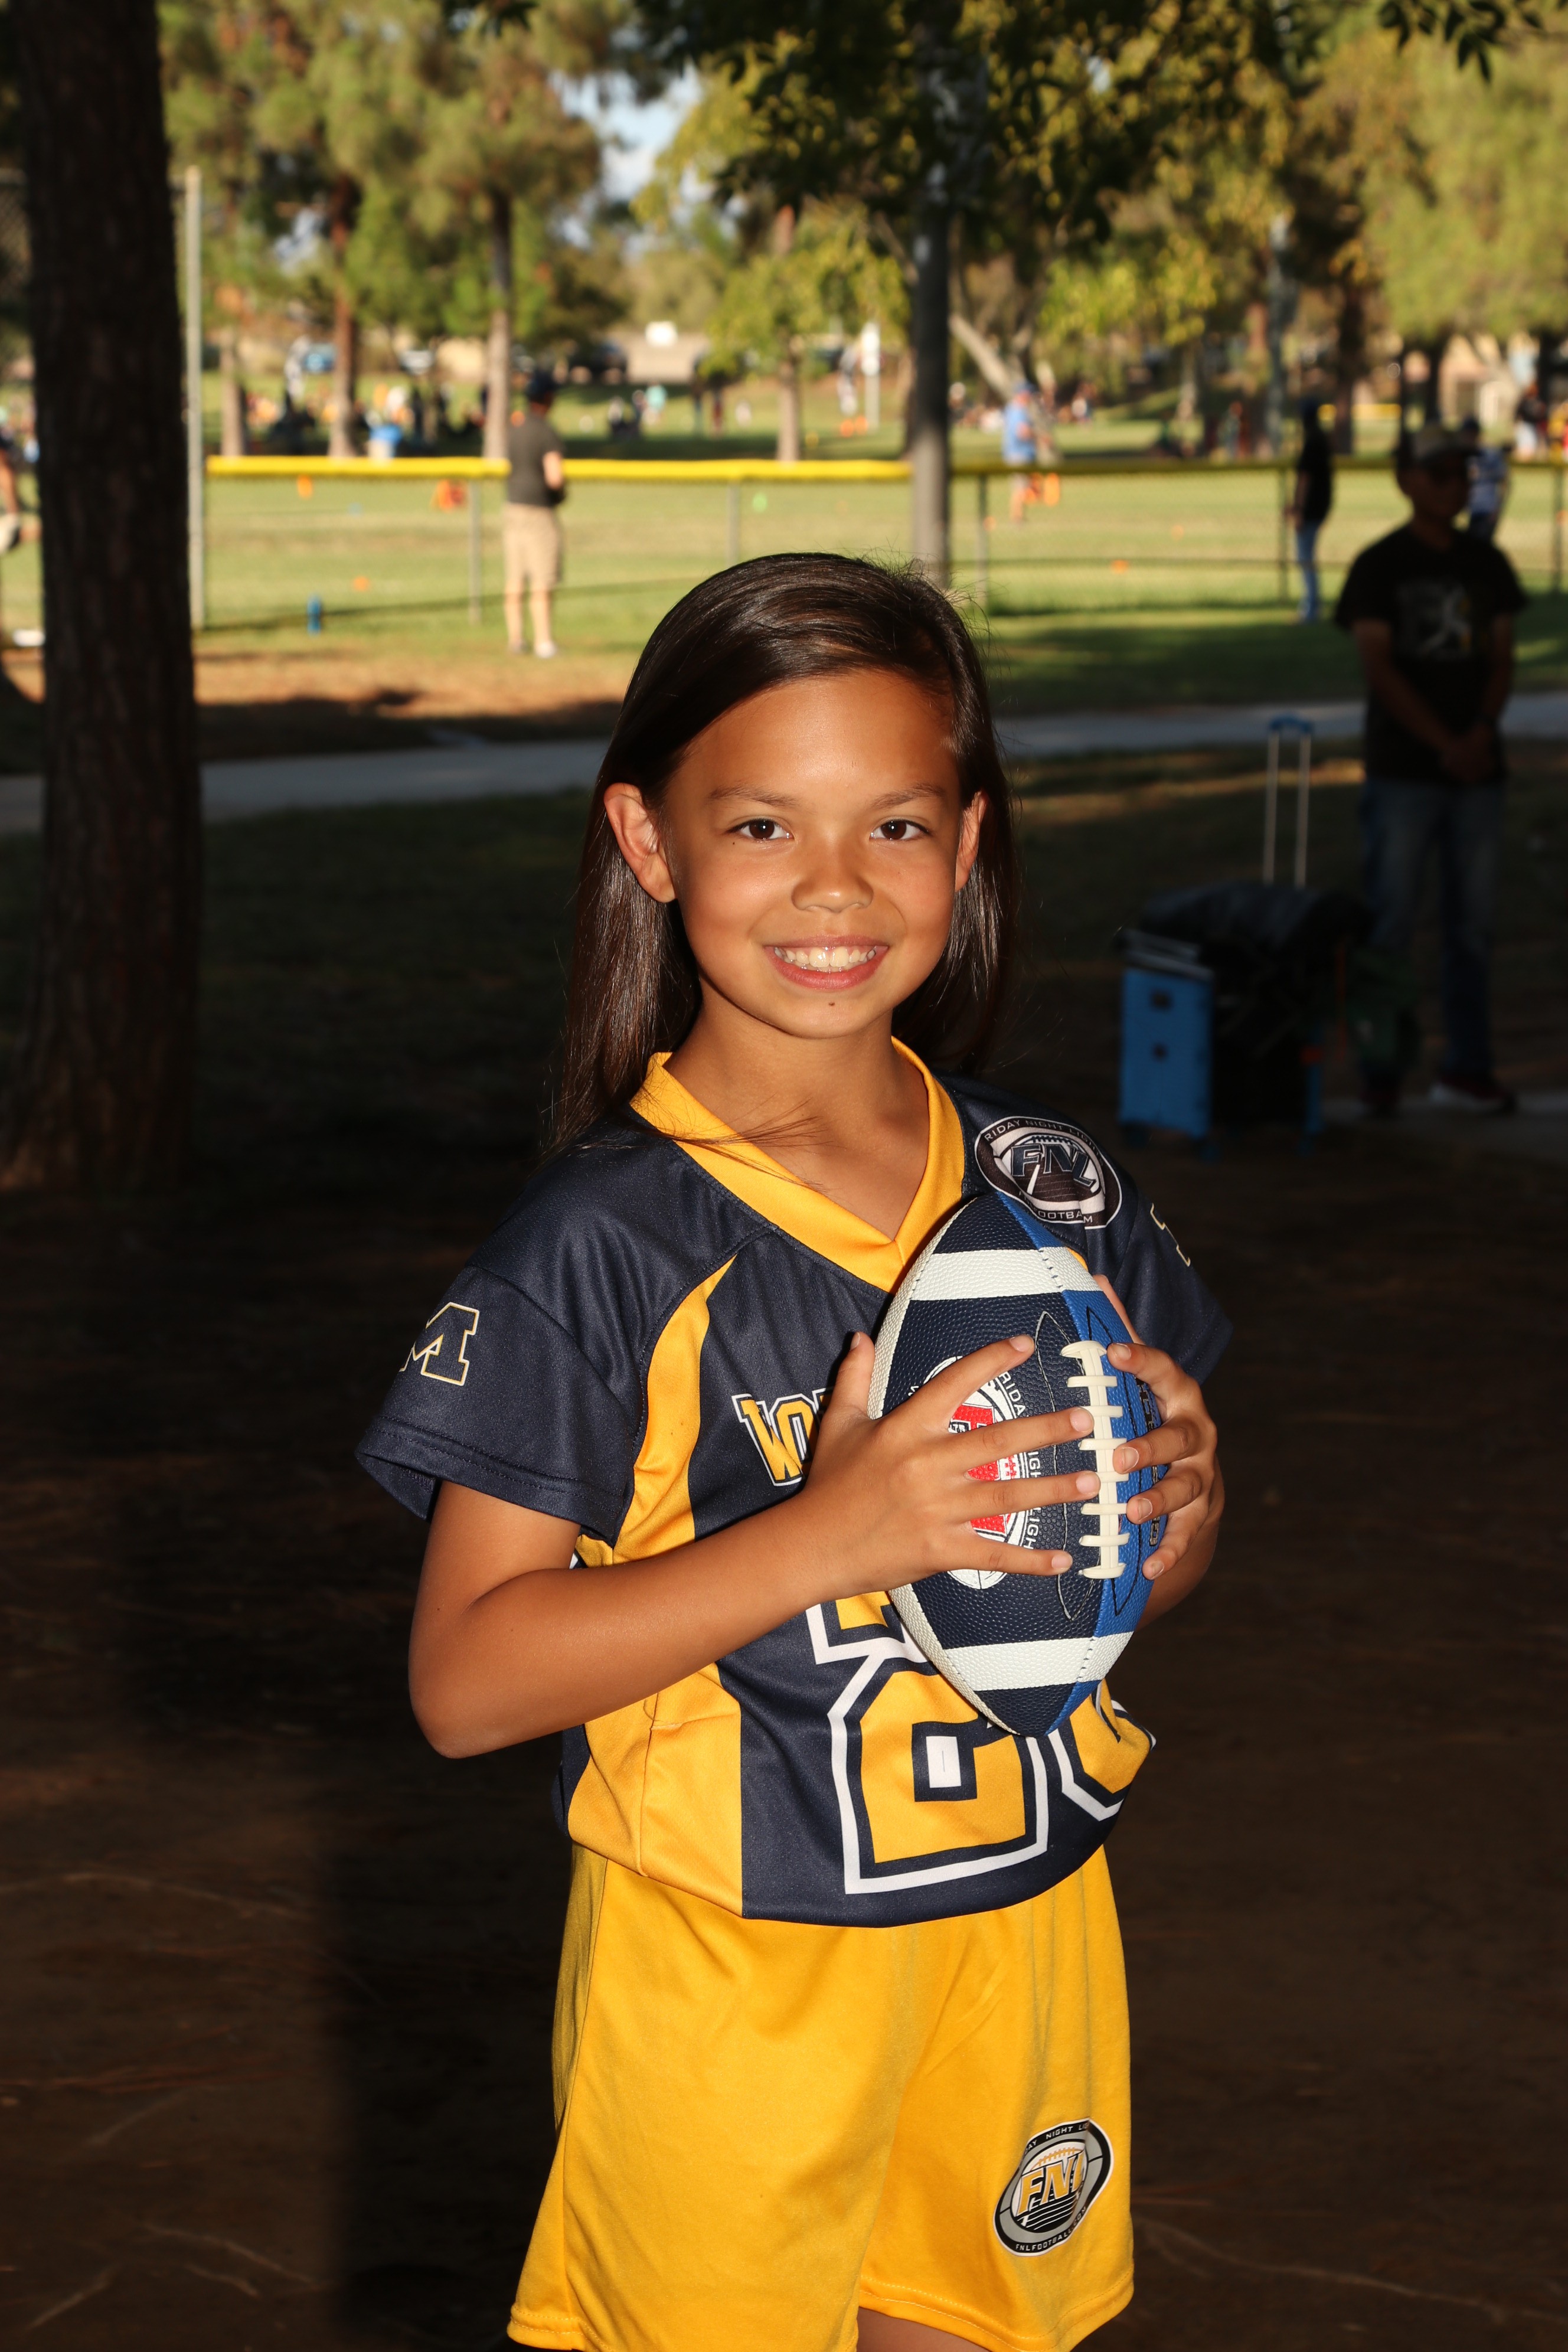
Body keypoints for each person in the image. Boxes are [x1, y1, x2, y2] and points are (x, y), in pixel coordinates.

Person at [358, 555, 1229, 2352]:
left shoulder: (1049, 1189)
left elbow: (1112, 1585)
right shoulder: (603, 1246)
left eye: (894, 824)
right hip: (731, 1975)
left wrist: (1172, 1517)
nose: (834, 885)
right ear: (650, 840)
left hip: (1021, 1924)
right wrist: (834, 1535)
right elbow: (465, 1681)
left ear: (966, 844)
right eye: (761, 824)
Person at [1334, 422, 1527, 1115]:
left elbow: (1502, 658)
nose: (1453, 485)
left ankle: (1467, 1067)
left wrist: (1478, 734)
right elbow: (1379, 667)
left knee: (1471, 929)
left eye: (1461, 473)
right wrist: (1444, 742)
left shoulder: (1487, 564)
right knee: (1390, 923)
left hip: (1476, 773)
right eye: (1439, 472)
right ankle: (1381, 1070)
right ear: (1406, 480)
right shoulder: (1379, 566)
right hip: (1403, 774)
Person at [504, 370, 567, 658]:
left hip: (512, 508)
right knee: (542, 579)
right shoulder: (546, 432)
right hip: (539, 511)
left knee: (515, 579)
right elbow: (555, 477)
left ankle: (516, 639)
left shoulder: (515, 429)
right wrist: (561, 493)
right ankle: (543, 642)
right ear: (548, 398)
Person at [1288, 398, 1334, 621]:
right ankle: (1311, 605)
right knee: (1306, 556)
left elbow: (1305, 478)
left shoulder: (1312, 443)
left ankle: (1311, 608)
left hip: (1311, 509)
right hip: (1320, 506)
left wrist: (1298, 508)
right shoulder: (1321, 440)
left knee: (1305, 557)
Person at [1459, 416, 1508, 543]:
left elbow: (1504, 482)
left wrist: (1498, 509)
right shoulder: (1463, 456)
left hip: (1487, 509)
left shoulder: (1490, 455)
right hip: (1472, 510)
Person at [1001, 381, 1038, 521]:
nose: (1031, 396)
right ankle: (1017, 517)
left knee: (1021, 487)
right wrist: (1039, 437)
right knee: (1020, 488)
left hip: (1015, 453)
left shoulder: (1011, 408)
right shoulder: (1019, 410)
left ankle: (1019, 516)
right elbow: (1022, 432)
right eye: (1029, 393)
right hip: (1019, 454)